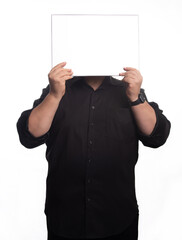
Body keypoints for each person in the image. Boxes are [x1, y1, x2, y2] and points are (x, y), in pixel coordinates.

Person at [16, 62, 171, 240]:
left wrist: (135, 97)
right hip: (65, 218)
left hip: (117, 217)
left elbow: (157, 136)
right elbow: (29, 135)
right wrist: (54, 95)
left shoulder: (128, 90)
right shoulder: (57, 90)